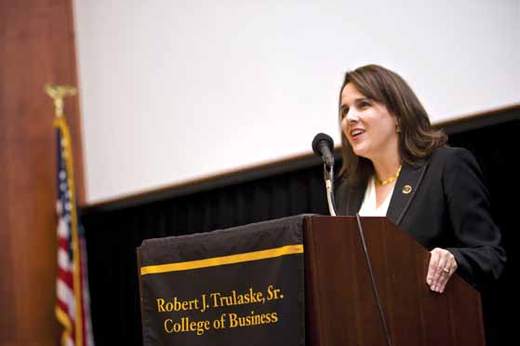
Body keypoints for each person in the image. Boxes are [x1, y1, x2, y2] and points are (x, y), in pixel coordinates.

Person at [334, 64, 505, 293]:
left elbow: (491, 256)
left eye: (363, 105)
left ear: (399, 115)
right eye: (344, 111)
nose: (349, 118)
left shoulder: (446, 166)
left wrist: (454, 258)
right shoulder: (347, 193)